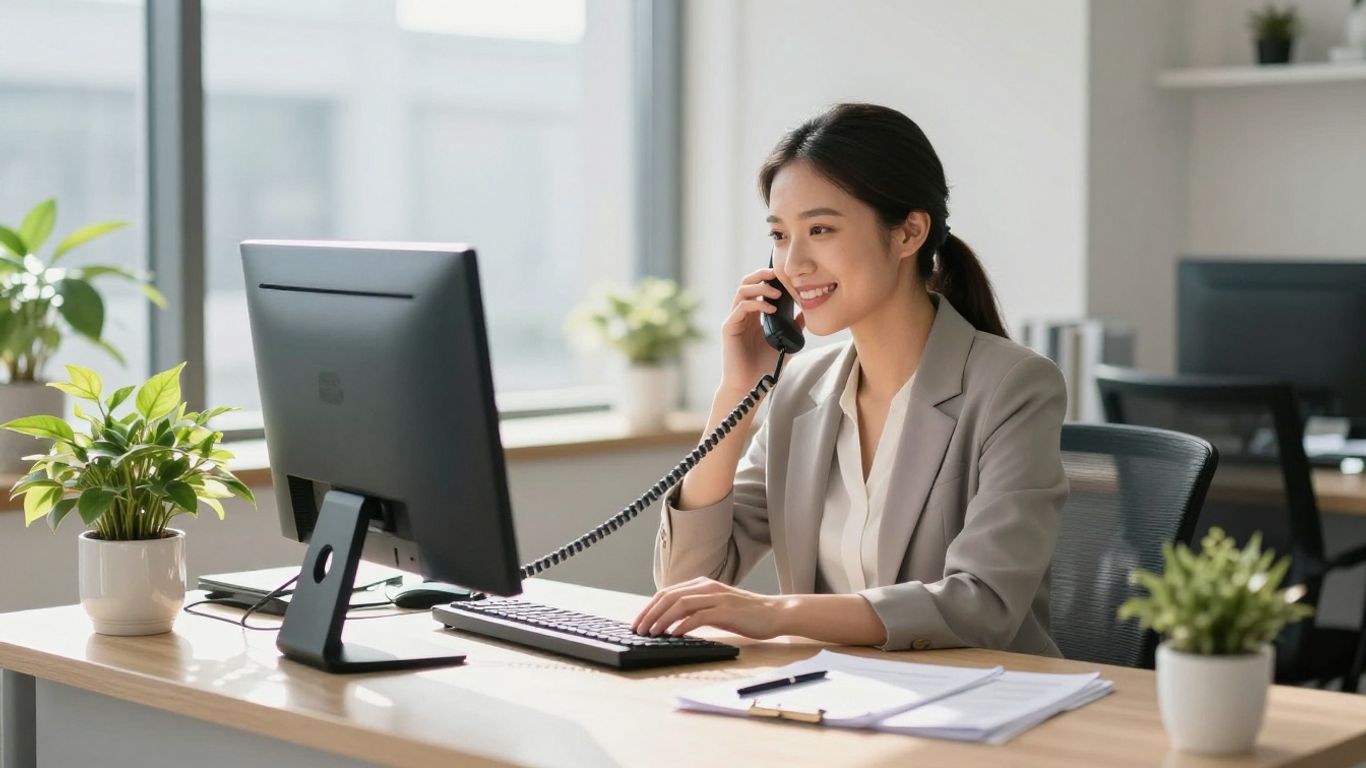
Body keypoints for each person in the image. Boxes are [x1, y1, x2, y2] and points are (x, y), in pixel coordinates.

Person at [631, 103, 1068, 655]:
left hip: (980, 704)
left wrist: (774, 613)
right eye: (781, 235)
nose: (794, 263)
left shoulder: (1015, 386)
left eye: (820, 229)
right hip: (837, 700)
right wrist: (737, 394)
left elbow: (981, 605)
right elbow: (683, 579)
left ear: (909, 232)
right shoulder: (800, 389)